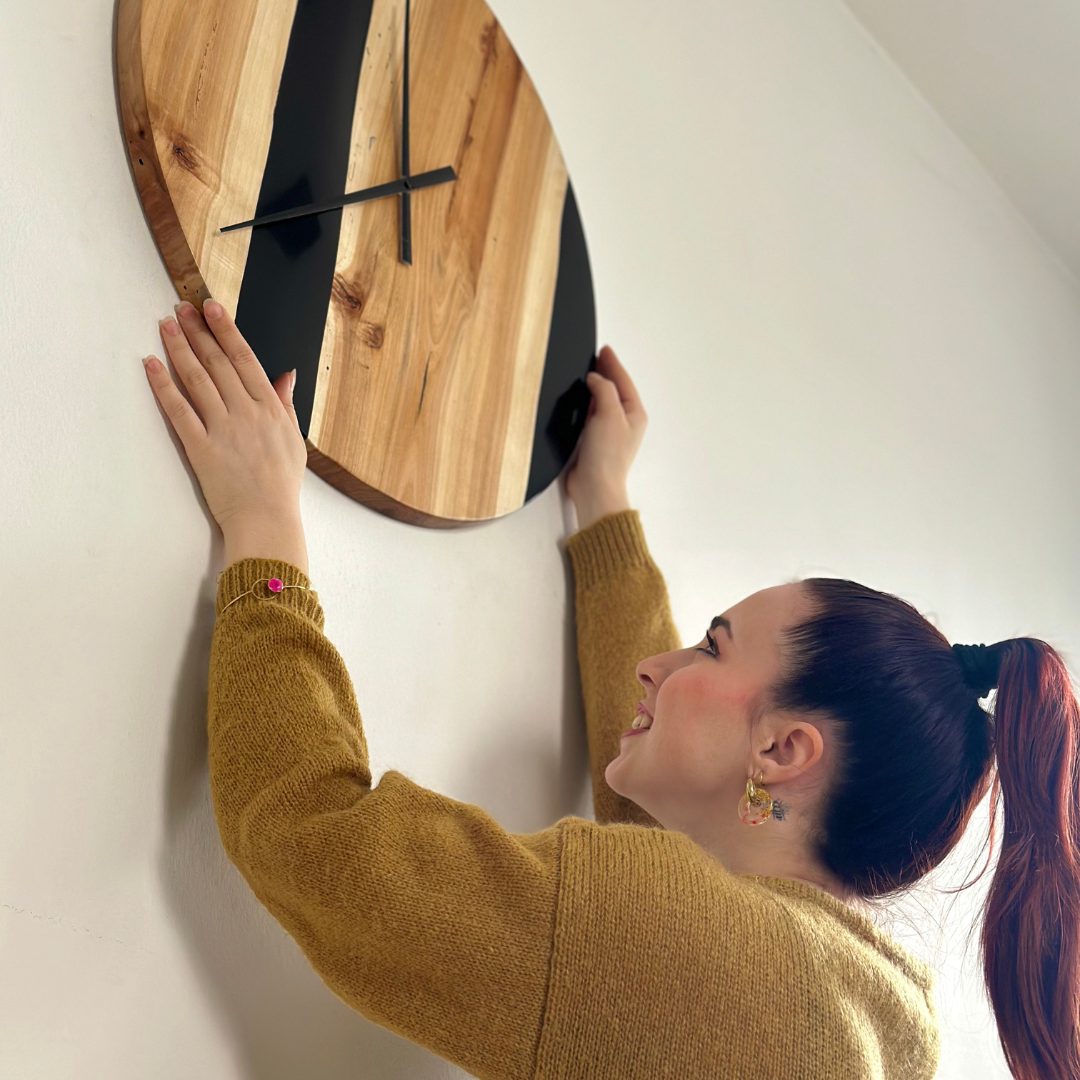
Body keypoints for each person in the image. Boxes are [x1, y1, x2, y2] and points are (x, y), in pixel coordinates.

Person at [143, 301, 1079, 1080]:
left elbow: (315, 840)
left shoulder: (691, 961)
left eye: (710, 650)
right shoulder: (880, 1023)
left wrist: (264, 522)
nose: (657, 666)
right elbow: (654, 849)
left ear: (784, 751)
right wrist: (605, 506)